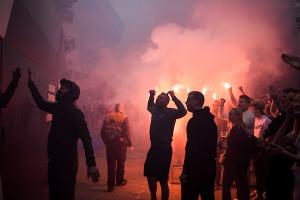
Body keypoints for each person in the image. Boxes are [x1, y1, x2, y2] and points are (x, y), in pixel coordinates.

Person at [27, 69, 100, 200]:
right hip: (54, 162)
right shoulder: (58, 108)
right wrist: (31, 83)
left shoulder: (76, 113)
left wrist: (91, 164)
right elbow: (41, 103)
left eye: (64, 88)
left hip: (67, 164)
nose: (60, 89)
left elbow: (86, 138)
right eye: (62, 87)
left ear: (71, 93)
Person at [144, 90, 187, 200]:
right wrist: (152, 95)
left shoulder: (171, 112)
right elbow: (149, 106)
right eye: (158, 97)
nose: (158, 99)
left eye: (161, 98)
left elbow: (183, 111)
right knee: (150, 174)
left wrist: (174, 97)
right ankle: (153, 197)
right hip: (154, 148)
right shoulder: (154, 110)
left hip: (164, 149)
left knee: (163, 180)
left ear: (167, 101)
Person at [181, 91, 217, 200]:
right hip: (209, 167)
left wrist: (185, 172)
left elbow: (192, 149)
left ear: (196, 101)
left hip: (195, 170)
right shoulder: (210, 120)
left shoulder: (194, 121)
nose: (186, 102)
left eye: (188, 99)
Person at [222, 108, 253, 200]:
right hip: (239, 162)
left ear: (238, 116)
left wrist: (224, 148)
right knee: (241, 185)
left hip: (234, 161)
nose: (229, 115)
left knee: (227, 185)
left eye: (231, 114)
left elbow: (235, 147)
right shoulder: (240, 126)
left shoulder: (237, 128)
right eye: (229, 113)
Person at [101, 103, 133, 192]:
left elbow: (102, 131)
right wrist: (130, 144)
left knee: (111, 164)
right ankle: (119, 181)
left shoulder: (107, 117)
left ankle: (110, 185)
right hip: (120, 143)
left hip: (110, 143)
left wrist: (106, 142)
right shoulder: (124, 117)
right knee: (121, 162)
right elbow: (127, 132)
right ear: (121, 109)